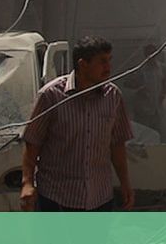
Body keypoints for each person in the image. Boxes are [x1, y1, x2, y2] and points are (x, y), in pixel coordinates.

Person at [21, 36, 134, 212]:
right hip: (57, 198)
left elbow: (117, 144)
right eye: (102, 62)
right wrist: (27, 183)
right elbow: (33, 142)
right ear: (83, 64)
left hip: (99, 197)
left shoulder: (113, 97)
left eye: (109, 61)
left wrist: (125, 183)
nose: (108, 68)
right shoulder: (51, 96)